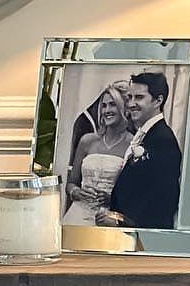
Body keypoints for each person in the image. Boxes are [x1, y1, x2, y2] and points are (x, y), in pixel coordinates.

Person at [103, 71, 183, 230]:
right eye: (129, 98)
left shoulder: (163, 140)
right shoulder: (145, 134)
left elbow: (162, 199)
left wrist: (121, 221)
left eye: (139, 97)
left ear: (158, 101)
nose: (131, 104)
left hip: (143, 237)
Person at [62, 83, 132, 225]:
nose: (107, 110)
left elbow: (133, 194)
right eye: (104, 106)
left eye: (112, 104)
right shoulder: (87, 141)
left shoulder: (132, 145)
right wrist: (76, 192)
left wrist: (111, 199)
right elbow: (71, 183)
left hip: (108, 218)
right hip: (77, 214)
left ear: (124, 108)